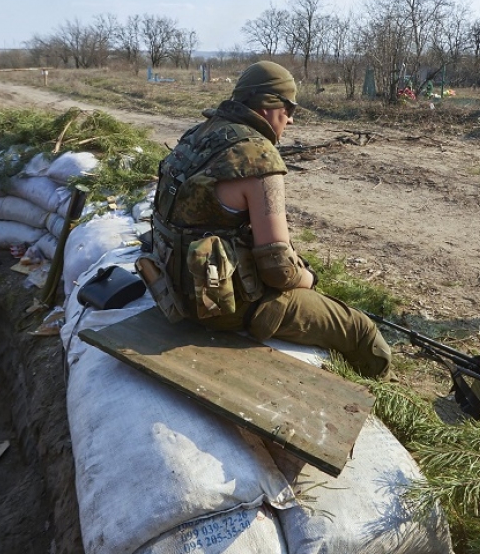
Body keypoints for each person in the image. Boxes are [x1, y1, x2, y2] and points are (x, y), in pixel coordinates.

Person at [139, 60, 391, 377]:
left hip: (171, 288)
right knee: (360, 330)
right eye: (288, 108)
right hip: (220, 307)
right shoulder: (257, 155)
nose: (291, 119)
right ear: (270, 106)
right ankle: (384, 390)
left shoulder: (199, 134)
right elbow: (279, 271)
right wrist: (310, 281)